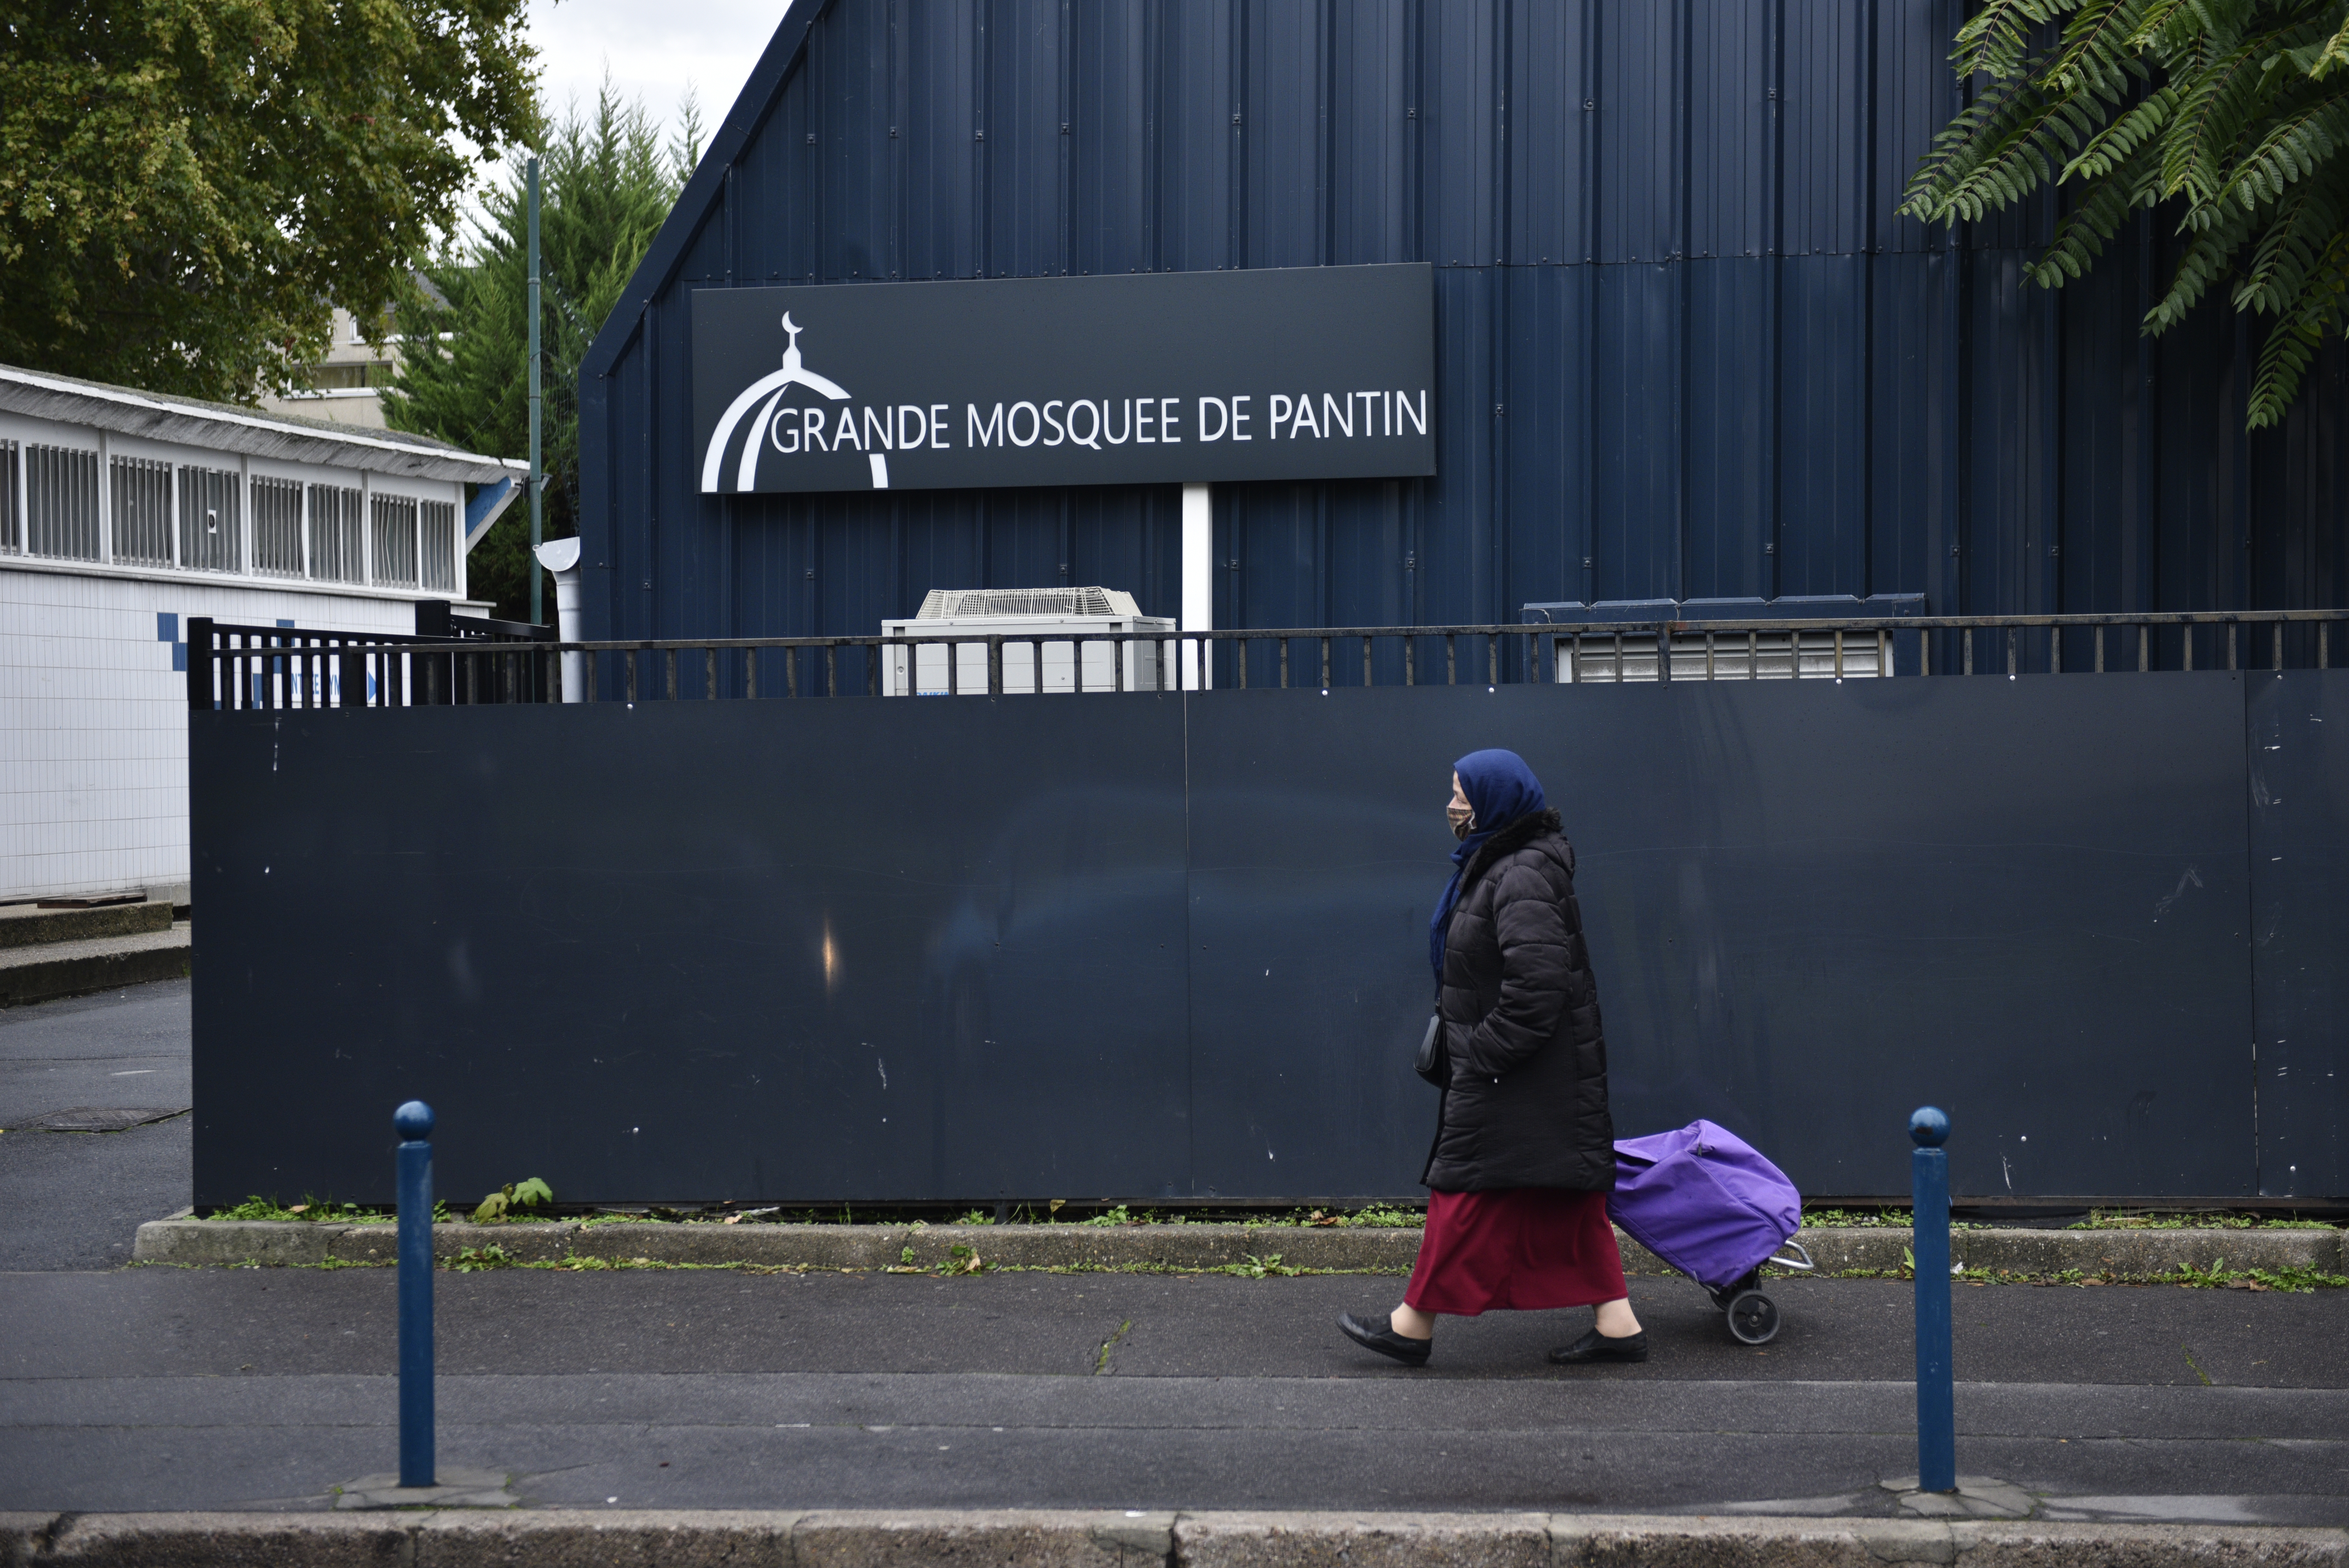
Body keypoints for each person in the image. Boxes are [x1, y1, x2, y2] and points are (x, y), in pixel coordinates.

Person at [1337, 748, 1646, 1368]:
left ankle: (1413, 1326)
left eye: (1463, 794)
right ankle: (1618, 1325)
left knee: (1464, 1189)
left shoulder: (1521, 874)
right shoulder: (1503, 864)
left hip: (1516, 1072)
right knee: (1563, 1197)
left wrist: (1478, 1052)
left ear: (1495, 801)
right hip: (1538, 1074)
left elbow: (1537, 988)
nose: (1453, 805)